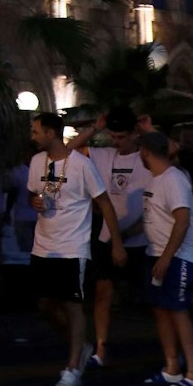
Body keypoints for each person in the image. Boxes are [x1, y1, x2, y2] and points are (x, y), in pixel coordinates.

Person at [27, 111, 125, 386]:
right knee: (45, 304)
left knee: (72, 304)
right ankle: (79, 345)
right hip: (43, 246)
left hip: (73, 246)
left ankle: (72, 368)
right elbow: (32, 192)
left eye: (35, 131)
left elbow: (104, 203)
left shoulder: (82, 165)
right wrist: (34, 201)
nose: (32, 137)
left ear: (50, 133)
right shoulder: (37, 161)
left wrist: (117, 243)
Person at [73, 104, 151, 368]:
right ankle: (101, 348)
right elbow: (70, 150)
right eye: (114, 137)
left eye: (122, 137)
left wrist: (148, 130)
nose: (117, 142)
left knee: (154, 299)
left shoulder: (146, 157)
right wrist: (95, 128)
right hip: (108, 237)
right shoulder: (104, 154)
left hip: (141, 239)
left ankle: (172, 349)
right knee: (102, 292)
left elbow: (172, 152)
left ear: (134, 133)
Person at [136, 131, 193, 386]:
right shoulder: (157, 179)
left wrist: (166, 257)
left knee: (178, 310)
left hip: (179, 256)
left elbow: (182, 220)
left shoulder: (174, 179)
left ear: (145, 152)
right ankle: (172, 367)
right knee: (161, 310)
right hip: (157, 253)